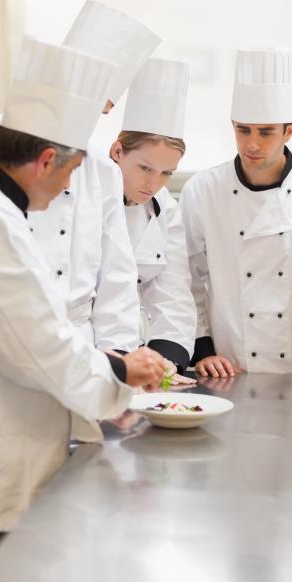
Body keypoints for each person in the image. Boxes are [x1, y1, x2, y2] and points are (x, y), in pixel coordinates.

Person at [0, 36, 165, 582]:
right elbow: (33, 342)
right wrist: (118, 374)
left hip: (16, 450)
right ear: (45, 160)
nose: (71, 187)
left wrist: (113, 368)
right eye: (70, 172)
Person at [0, 0, 161, 354]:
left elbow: (116, 280)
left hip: (82, 347)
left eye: (102, 110)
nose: (65, 182)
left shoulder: (102, 170)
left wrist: (120, 361)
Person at [179, 48, 292, 377]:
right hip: (230, 367)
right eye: (243, 130)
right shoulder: (202, 191)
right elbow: (186, 278)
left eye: (265, 133)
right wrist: (202, 347)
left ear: (289, 130)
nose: (252, 144)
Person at [110, 58, 197, 386]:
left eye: (166, 173)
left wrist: (164, 362)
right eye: (145, 168)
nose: (153, 184)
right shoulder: (80, 197)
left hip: (132, 358)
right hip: (85, 357)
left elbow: (172, 293)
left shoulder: (164, 208)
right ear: (117, 151)